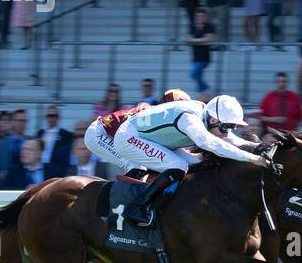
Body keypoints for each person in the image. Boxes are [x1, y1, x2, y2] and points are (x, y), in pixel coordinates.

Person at [114, 94, 271, 226]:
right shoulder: (190, 119)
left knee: (199, 165)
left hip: (156, 140)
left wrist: (256, 146)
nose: (227, 133)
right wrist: (252, 158)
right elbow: (210, 143)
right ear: (214, 120)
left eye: (232, 128)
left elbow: (228, 138)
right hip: (129, 137)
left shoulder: (207, 115)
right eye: (226, 127)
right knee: (179, 166)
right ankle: (138, 207)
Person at [185, 8, 218, 99]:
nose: (200, 18)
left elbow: (208, 39)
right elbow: (187, 38)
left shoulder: (209, 26)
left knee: (193, 74)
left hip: (204, 57)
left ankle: (205, 88)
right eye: (198, 16)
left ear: (205, 17)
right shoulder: (193, 26)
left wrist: (195, 40)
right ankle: (203, 94)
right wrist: (199, 41)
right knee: (197, 76)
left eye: (202, 16)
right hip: (195, 57)